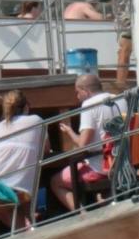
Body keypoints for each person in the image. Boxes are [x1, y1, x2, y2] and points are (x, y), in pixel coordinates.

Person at [49, 71, 129, 212]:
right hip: (123, 163)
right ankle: (106, 204)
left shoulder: (89, 104)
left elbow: (82, 145)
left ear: (85, 91)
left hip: (101, 167)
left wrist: (69, 132)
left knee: (55, 182)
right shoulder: (121, 99)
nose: (77, 96)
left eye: (77, 92)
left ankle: (83, 215)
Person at [0, 90, 47, 225]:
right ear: (26, 106)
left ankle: (25, 228)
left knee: (6, 203)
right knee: (19, 199)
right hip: (18, 184)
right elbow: (45, 149)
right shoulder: (36, 120)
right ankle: (26, 227)